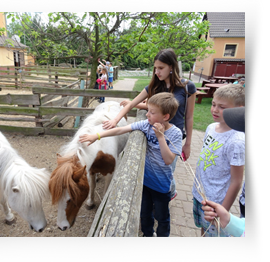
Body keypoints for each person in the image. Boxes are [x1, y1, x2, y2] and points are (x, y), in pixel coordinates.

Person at [79, 93, 182, 237]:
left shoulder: (176, 134)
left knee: (162, 216)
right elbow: (121, 129)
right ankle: (147, 233)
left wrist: (160, 137)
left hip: (162, 186)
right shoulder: (146, 125)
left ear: (165, 116)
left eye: (152, 112)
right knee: (145, 213)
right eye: (147, 111)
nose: (147, 115)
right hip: (145, 183)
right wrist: (96, 136)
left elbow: (168, 160)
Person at [102, 48, 196, 199]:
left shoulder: (187, 87)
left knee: (168, 168)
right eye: (155, 68)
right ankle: (155, 197)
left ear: (171, 67)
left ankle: (168, 194)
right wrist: (115, 120)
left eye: (161, 68)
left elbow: (189, 117)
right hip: (154, 134)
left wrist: (188, 143)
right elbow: (131, 104)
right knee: (154, 169)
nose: (157, 72)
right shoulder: (154, 86)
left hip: (173, 136)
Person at [192, 84, 245, 237]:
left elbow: (236, 181)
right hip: (200, 194)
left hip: (216, 202)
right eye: (214, 104)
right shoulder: (211, 127)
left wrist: (224, 211)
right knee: (204, 228)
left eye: (222, 107)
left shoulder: (237, 141)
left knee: (215, 232)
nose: (215, 110)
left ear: (239, 109)